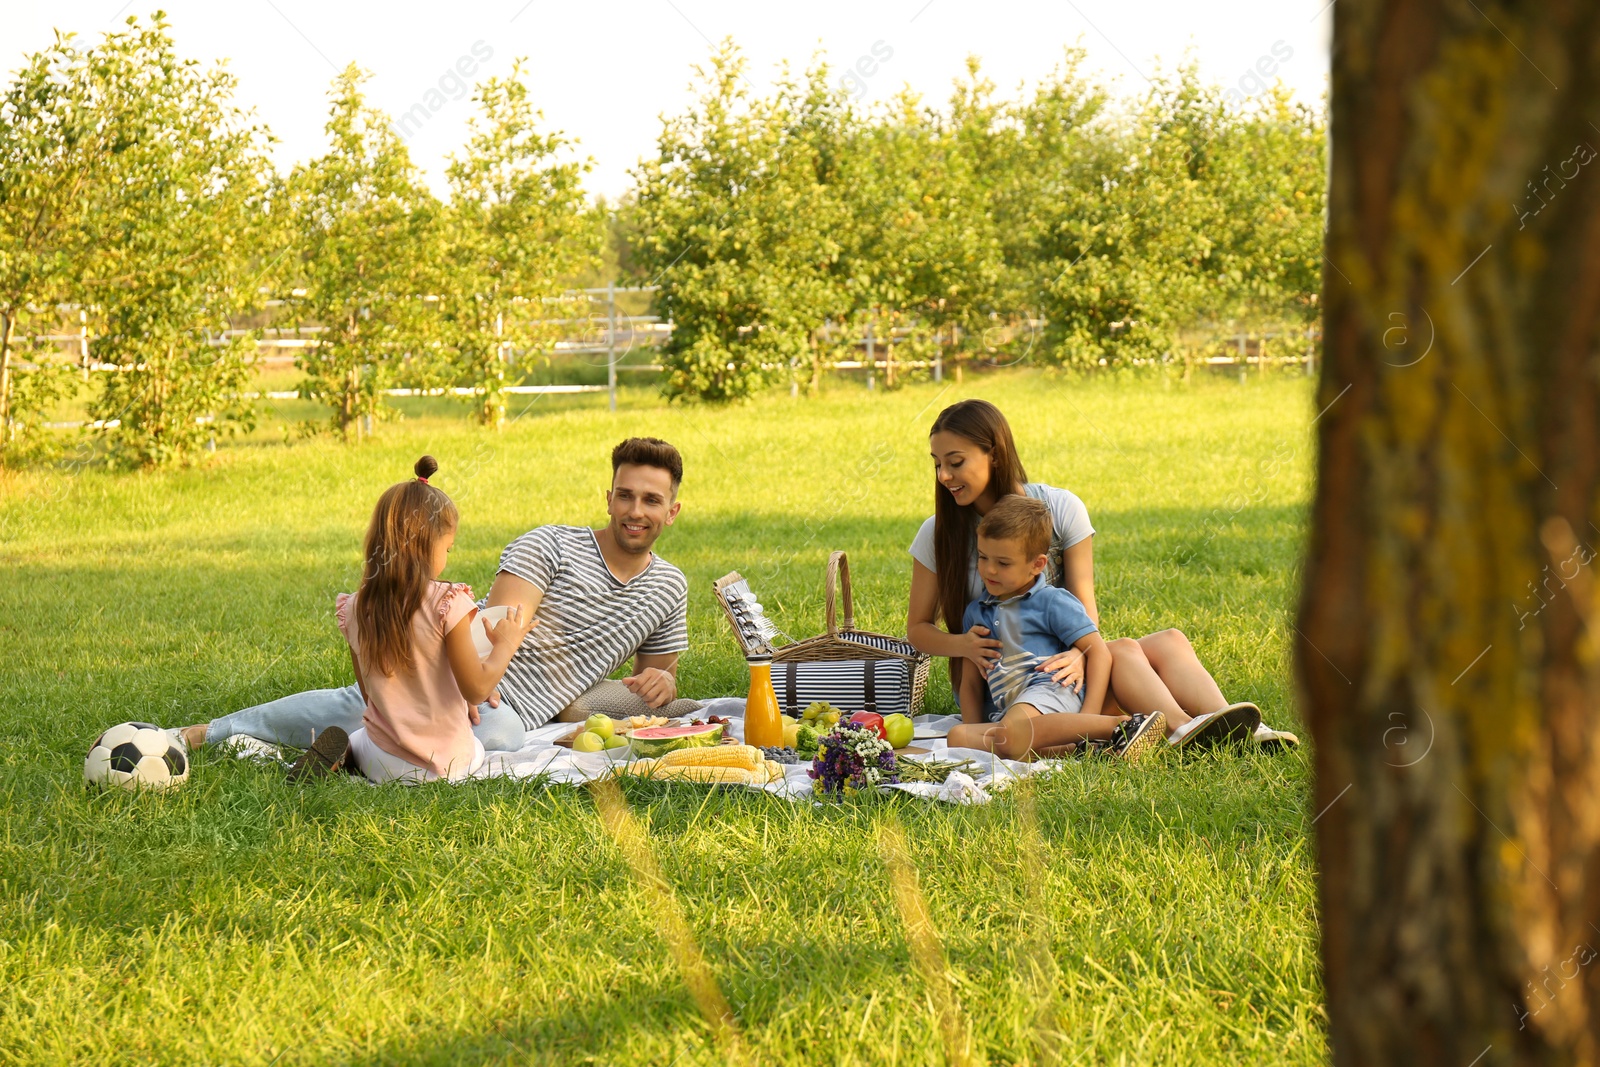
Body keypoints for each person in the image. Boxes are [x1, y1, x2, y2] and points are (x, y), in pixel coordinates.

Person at [181, 437, 697, 757]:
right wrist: (459, 695)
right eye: (625, 495)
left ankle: (322, 758)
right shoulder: (552, 544)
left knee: (498, 739)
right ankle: (207, 733)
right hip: (466, 682)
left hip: (519, 714)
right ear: (608, 498)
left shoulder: (669, 587)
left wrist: (663, 679)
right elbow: (483, 632)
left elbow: (651, 686)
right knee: (367, 705)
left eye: (651, 499)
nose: (635, 509)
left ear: (671, 512)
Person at [906, 398, 1292, 749]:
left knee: (1162, 641)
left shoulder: (1060, 509)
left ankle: (1243, 730)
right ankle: (1179, 731)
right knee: (1120, 653)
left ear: (995, 454)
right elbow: (917, 629)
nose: (944, 476)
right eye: (938, 464)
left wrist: (1079, 654)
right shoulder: (938, 534)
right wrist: (966, 646)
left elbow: (1084, 610)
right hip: (1006, 683)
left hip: (1064, 668)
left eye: (956, 462)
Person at [946, 496, 1252, 760]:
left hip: (1050, 689)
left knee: (1014, 733)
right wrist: (974, 730)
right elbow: (971, 681)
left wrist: (1086, 717)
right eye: (984, 558)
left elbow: (1099, 652)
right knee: (960, 737)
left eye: (1003, 562)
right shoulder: (977, 613)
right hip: (1018, 708)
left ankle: (1133, 726)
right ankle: (1095, 744)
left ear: (1037, 565)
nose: (989, 570)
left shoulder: (1050, 601)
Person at [325, 455, 536, 783]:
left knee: (360, 737)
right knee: (477, 747)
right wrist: (506, 644)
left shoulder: (354, 608)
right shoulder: (449, 603)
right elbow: (477, 690)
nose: (447, 558)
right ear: (426, 545)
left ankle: (346, 754)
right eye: (447, 549)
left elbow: (370, 697)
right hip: (446, 766)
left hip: (382, 761)